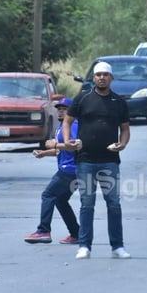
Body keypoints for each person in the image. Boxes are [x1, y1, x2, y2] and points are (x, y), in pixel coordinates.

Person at [62, 62, 131, 260]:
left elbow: (125, 129)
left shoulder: (118, 102)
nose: (102, 77)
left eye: (106, 75)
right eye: (98, 74)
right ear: (93, 78)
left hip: (110, 160)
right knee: (87, 203)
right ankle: (84, 246)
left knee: (114, 204)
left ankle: (117, 246)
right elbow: (67, 120)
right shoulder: (83, 98)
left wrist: (123, 144)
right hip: (85, 160)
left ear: (111, 78)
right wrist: (67, 141)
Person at [24, 97, 80, 245]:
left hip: (71, 170)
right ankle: (76, 233)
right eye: (59, 110)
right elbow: (59, 151)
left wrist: (54, 144)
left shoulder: (74, 125)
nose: (61, 112)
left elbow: (73, 146)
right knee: (61, 201)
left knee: (48, 195)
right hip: (70, 170)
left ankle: (43, 231)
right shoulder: (60, 127)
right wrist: (44, 153)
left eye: (65, 109)